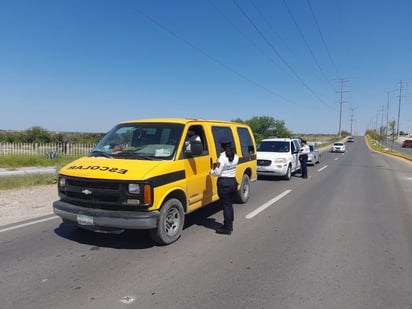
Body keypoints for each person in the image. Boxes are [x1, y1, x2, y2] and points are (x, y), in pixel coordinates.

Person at [210, 137, 239, 235]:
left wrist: (211, 172)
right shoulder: (235, 156)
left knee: (226, 206)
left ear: (222, 147)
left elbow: (217, 172)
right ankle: (229, 224)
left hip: (224, 183)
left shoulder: (222, 158)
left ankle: (227, 228)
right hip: (233, 182)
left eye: (220, 147)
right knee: (229, 205)